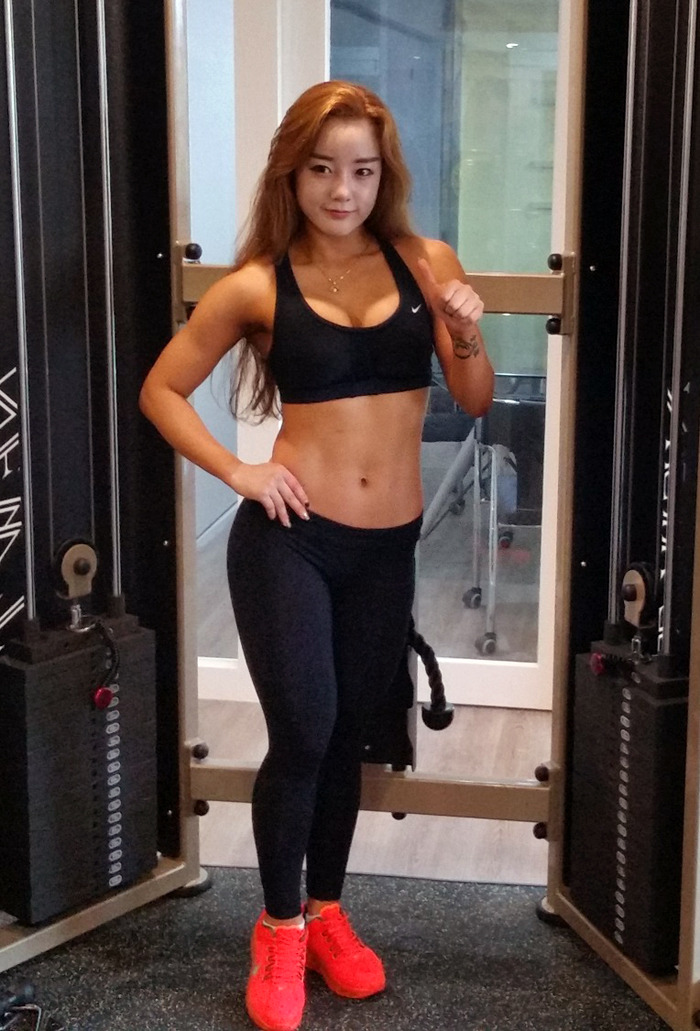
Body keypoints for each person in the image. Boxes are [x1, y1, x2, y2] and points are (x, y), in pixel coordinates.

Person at [140, 79, 494, 1031]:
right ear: (292, 176)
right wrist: (239, 471)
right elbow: (162, 389)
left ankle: (328, 911)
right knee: (304, 730)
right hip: (290, 543)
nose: (343, 190)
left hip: (387, 549)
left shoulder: (425, 262)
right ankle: (280, 926)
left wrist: (466, 328)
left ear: (385, 176)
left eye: (363, 171)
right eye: (323, 170)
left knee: (347, 736)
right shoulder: (256, 284)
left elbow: (474, 396)